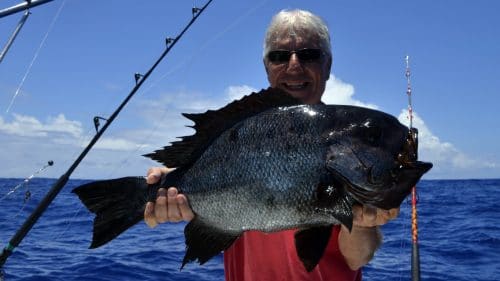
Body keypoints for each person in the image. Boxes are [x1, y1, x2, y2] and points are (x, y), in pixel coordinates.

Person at [143, 9, 400, 281]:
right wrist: (161, 188)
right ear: (267, 67)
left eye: (308, 54)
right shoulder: (240, 129)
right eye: (279, 56)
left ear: (328, 65)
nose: (294, 65)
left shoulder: (352, 141)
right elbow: (207, 167)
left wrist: (361, 224)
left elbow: (357, 257)